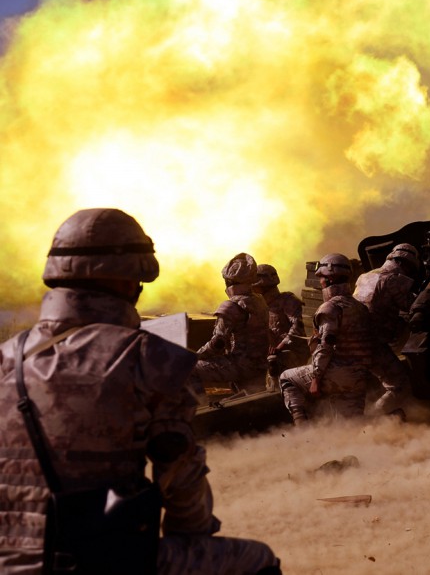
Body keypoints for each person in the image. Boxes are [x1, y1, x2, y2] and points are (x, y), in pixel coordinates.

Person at [0, 208, 280, 574]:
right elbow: (186, 506)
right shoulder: (151, 360)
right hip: (101, 561)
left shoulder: (7, 358)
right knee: (255, 561)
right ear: (129, 280)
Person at [279, 253, 378, 425]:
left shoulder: (329, 308)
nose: (320, 282)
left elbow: (325, 346)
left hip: (335, 374)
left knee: (287, 378)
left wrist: (316, 380)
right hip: (359, 376)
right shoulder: (359, 307)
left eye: (322, 278)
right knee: (350, 428)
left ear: (329, 279)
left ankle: (302, 430)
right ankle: (391, 422)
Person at [352, 243, 418, 416]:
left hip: (351, 340)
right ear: (406, 264)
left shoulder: (365, 276)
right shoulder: (394, 280)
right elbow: (413, 307)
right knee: (400, 385)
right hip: (372, 344)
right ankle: (375, 418)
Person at [193, 253, 271, 393]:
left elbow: (218, 344)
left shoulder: (230, 306)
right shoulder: (259, 301)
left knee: (189, 369)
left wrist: (195, 356)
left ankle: (200, 410)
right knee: (251, 403)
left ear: (228, 281)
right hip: (259, 365)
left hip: (239, 365)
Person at [252, 264, 308, 389]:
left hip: (291, 354)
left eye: (256, 286)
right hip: (273, 355)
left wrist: (280, 347)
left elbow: (297, 328)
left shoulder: (288, 301)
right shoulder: (260, 305)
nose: (254, 289)